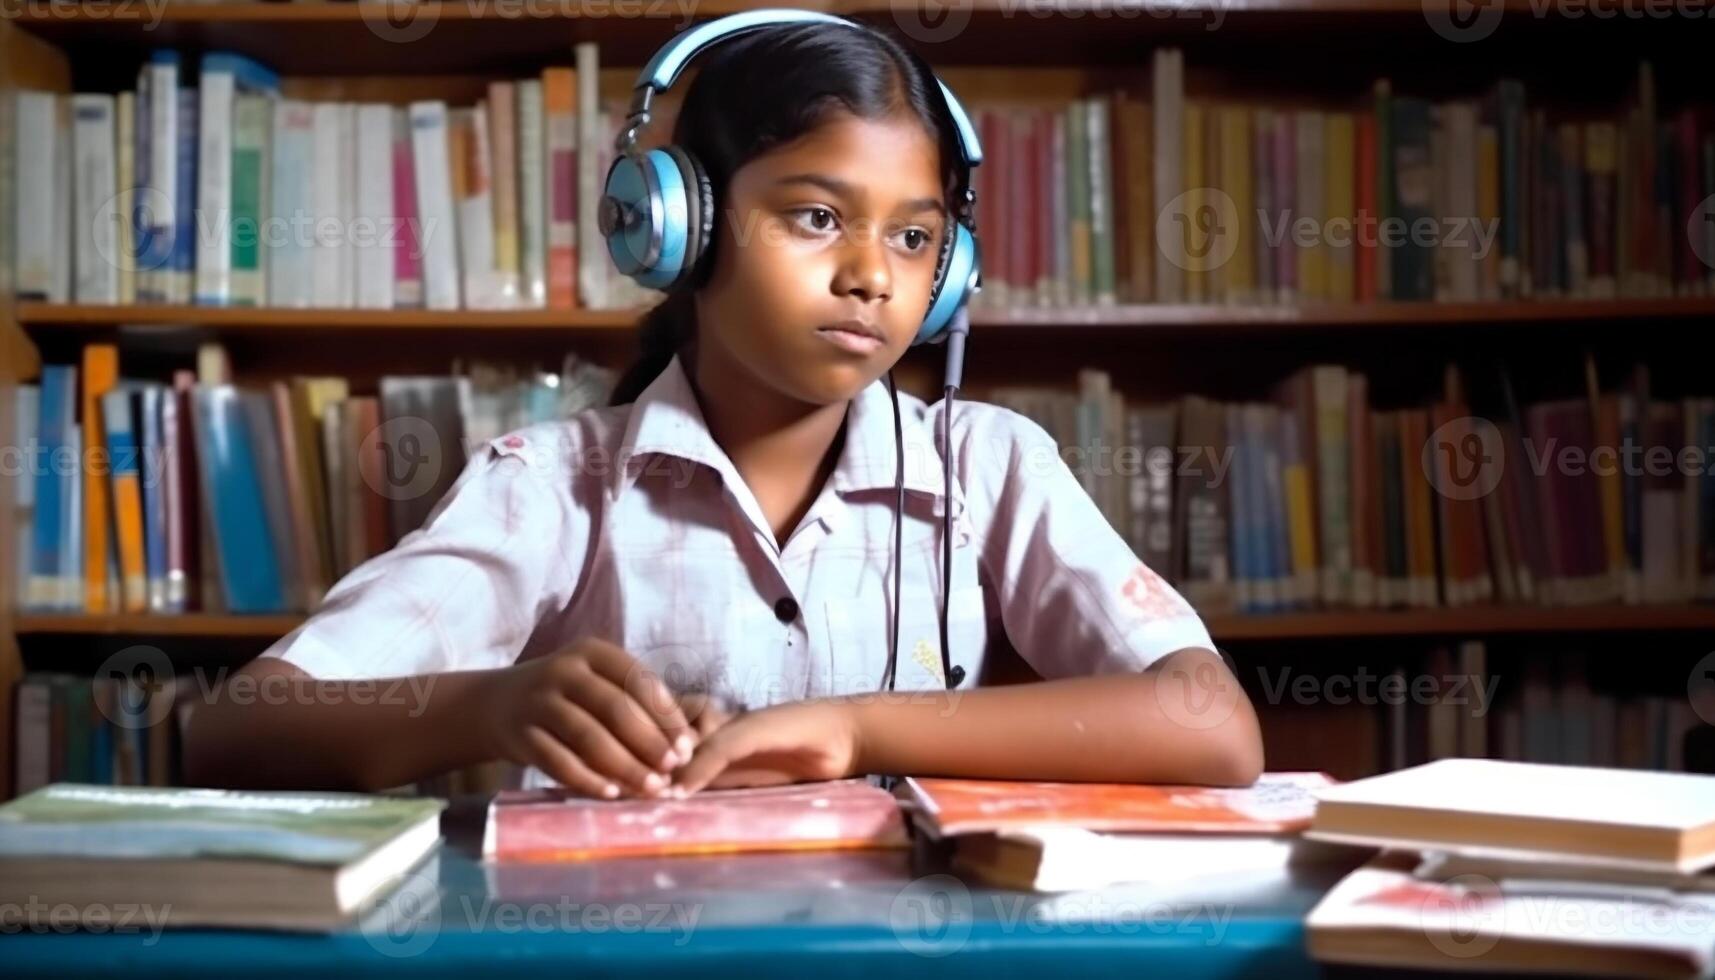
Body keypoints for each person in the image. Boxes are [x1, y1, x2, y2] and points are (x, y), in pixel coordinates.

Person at [185, 16, 1263, 798]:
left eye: (913, 237)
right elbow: (234, 732)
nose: (870, 276)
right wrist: (491, 705)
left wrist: (845, 726)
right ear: (675, 229)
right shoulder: (551, 485)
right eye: (813, 215)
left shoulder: (989, 463)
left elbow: (1210, 724)